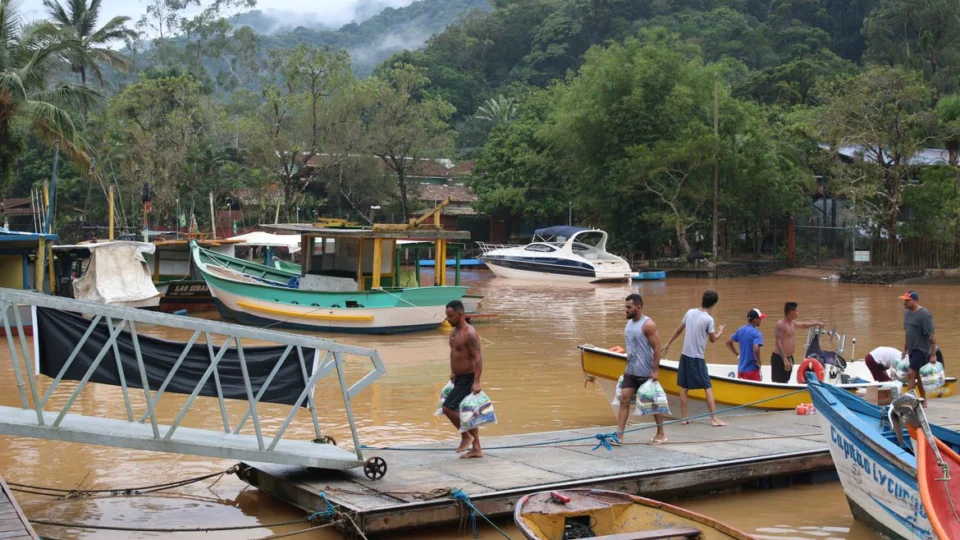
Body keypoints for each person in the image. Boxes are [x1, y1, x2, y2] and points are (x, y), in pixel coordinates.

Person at [662, 290, 727, 427]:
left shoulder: (690, 312)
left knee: (684, 387)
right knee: (707, 386)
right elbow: (713, 339)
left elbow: (679, 330)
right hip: (697, 358)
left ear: (702, 299)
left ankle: (684, 418)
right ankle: (714, 419)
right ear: (714, 304)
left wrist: (668, 343)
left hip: (685, 355)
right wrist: (720, 332)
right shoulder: (709, 319)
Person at [614, 294, 666, 445]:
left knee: (652, 403)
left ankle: (661, 433)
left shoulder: (648, 325)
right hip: (630, 371)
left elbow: (657, 348)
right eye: (626, 307)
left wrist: (655, 371)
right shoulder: (628, 324)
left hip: (645, 371)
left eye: (629, 307)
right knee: (624, 400)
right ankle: (619, 436)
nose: (626, 310)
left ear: (639, 307)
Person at [440, 300, 484, 458]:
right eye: (447, 316)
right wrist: (453, 372)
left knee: (448, 407)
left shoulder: (470, 333)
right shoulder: (454, 331)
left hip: (468, 378)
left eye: (450, 316)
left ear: (460, 314)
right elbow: (456, 354)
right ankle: (477, 448)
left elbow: (477, 358)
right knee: (468, 413)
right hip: (458, 377)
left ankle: (466, 435)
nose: (447, 319)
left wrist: (477, 381)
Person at [772, 303, 826, 383]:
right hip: (780, 358)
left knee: (786, 379)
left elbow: (803, 325)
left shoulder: (792, 323)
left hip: (789, 357)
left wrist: (816, 323)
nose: (798, 313)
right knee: (778, 381)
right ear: (791, 312)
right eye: (796, 311)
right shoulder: (781, 325)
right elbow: (778, 342)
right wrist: (784, 359)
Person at [901, 291, 937, 405]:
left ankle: (907, 402)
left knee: (911, 374)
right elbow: (907, 333)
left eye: (907, 300)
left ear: (915, 301)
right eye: (904, 300)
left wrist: (933, 354)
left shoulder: (924, 315)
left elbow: (931, 335)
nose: (905, 303)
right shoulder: (906, 313)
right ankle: (923, 400)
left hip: (921, 350)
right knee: (918, 376)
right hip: (911, 349)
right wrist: (905, 349)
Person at [727, 309, 766, 380]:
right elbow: (756, 349)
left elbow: (728, 343)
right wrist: (759, 362)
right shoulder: (757, 333)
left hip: (741, 370)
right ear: (755, 320)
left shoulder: (740, 330)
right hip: (752, 371)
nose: (761, 320)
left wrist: (737, 355)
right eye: (759, 318)